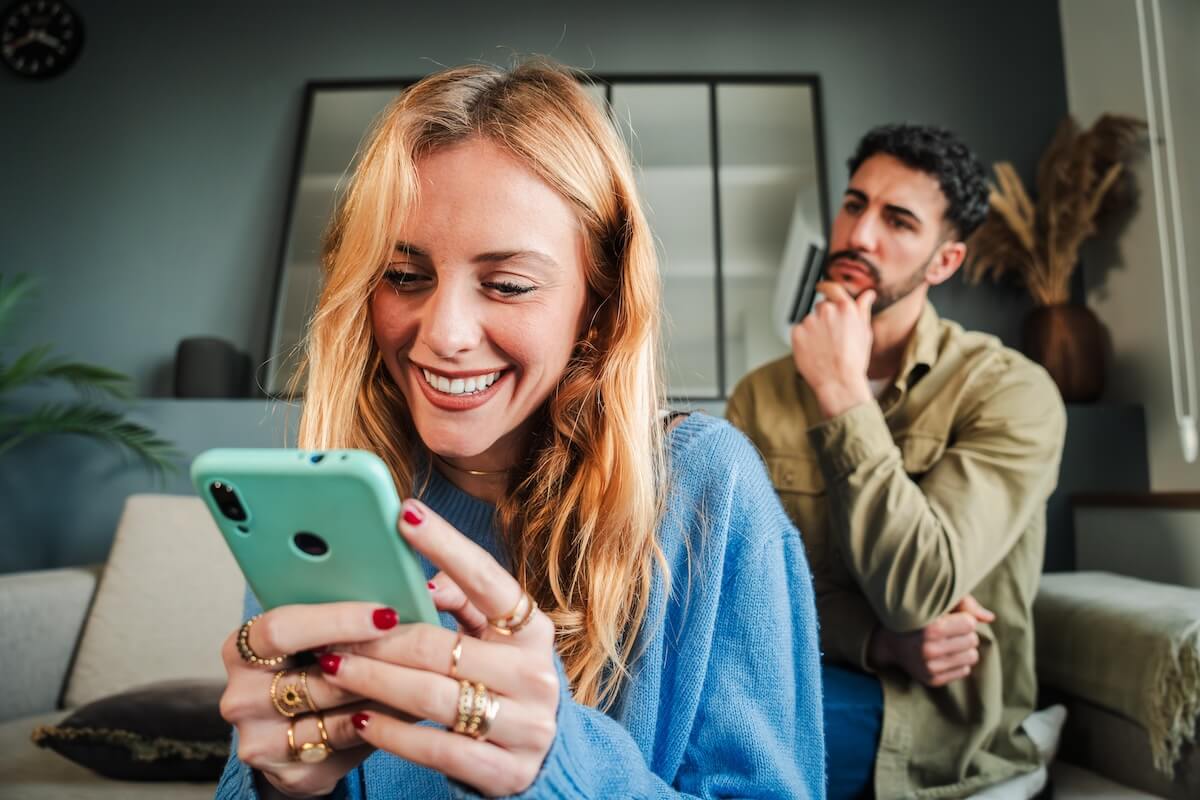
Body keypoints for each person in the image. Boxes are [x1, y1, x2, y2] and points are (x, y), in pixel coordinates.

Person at [215, 60, 825, 799]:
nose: (443, 334)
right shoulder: (328, 508)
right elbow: (271, 762)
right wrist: (279, 786)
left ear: (597, 306)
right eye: (405, 276)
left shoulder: (706, 489)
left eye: (507, 285)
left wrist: (556, 760)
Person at [727, 123, 1067, 800]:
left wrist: (840, 391)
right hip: (799, 670)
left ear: (944, 261)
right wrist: (879, 641)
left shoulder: (1012, 392)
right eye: (855, 204)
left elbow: (919, 589)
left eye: (898, 221)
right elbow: (745, 593)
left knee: (703, 735)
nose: (859, 235)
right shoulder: (760, 395)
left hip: (933, 721)